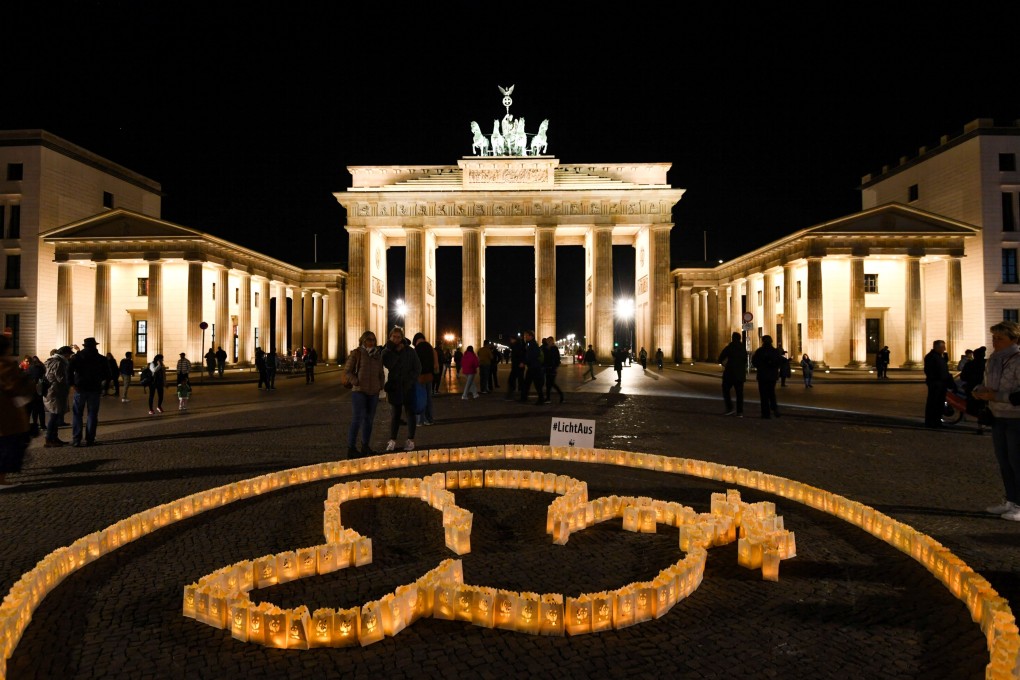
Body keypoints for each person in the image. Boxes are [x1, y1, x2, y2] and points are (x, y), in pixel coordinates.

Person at [971, 322, 1020, 521]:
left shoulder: (1018, 360)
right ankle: (1010, 500)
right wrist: (979, 390)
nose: (995, 342)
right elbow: (987, 383)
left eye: (1000, 338)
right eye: (994, 338)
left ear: (1014, 340)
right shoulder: (993, 360)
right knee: (1004, 462)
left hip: (1016, 418)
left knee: (1018, 463)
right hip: (997, 417)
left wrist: (996, 396)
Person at [344, 330, 385, 457]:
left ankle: (365, 446)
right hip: (359, 391)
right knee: (357, 419)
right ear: (363, 340)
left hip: (373, 392)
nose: (371, 342)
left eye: (373, 340)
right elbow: (347, 371)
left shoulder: (377, 355)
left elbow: (381, 373)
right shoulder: (356, 353)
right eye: (369, 339)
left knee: (369, 420)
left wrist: (380, 385)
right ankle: (351, 448)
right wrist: (356, 381)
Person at [0, 334, 33, 489]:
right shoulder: (5, 365)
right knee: (7, 446)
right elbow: (14, 387)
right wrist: (26, 383)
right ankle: (1, 480)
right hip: (6, 413)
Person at [381, 326, 420, 452]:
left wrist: (410, 381)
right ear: (390, 337)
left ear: (402, 338)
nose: (396, 339)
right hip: (395, 387)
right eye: (394, 337)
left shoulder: (410, 351)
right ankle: (392, 440)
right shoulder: (386, 351)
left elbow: (418, 367)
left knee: (410, 414)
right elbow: (388, 364)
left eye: (398, 337)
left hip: (408, 386)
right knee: (395, 415)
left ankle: (410, 440)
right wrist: (392, 350)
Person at [68, 337, 111, 447]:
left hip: (80, 388)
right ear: (95, 346)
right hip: (94, 388)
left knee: (77, 414)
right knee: (92, 414)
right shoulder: (101, 358)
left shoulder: (77, 357)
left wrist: (72, 384)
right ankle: (90, 439)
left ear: (84, 346)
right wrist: (102, 384)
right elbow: (107, 374)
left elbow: (69, 371)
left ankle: (76, 439)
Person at [43, 346, 72, 447]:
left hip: (51, 391)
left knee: (54, 416)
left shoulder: (50, 360)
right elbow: (61, 378)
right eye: (69, 355)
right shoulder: (59, 363)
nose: (69, 357)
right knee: (54, 417)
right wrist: (70, 383)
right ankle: (49, 439)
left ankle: (54, 438)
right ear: (65, 354)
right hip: (55, 392)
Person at [923, 339, 952, 428]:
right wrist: (936, 380)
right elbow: (930, 370)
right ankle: (931, 421)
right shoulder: (931, 357)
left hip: (941, 383)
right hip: (936, 383)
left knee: (939, 403)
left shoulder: (939, 357)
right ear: (937, 347)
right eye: (943, 347)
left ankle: (937, 421)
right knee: (933, 403)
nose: (945, 349)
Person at [751, 335, 781, 419]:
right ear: (771, 341)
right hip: (772, 376)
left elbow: (754, 362)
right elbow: (779, 362)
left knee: (763, 395)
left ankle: (766, 414)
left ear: (763, 341)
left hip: (762, 375)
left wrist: (760, 366)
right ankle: (774, 408)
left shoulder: (760, 351)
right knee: (771, 393)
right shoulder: (775, 351)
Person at [718, 331, 747, 416]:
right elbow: (745, 360)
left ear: (732, 338)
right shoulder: (743, 348)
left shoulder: (730, 347)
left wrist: (724, 364)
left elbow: (720, 358)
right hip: (740, 374)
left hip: (730, 373)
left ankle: (730, 408)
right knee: (739, 393)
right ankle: (740, 412)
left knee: (726, 390)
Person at [412, 332, 437, 425]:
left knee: (420, 397)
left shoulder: (416, 349)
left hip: (419, 377)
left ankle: (419, 420)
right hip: (429, 376)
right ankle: (429, 419)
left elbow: (413, 364)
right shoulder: (431, 348)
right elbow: (436, 364)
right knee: (428, 398)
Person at [519, 331, 545, 404]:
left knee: (536, 384)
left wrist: (524, 362)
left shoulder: (533, 344)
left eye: (526, 336)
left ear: (531, 336)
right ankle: (524, 398)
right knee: (527, 383)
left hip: (534, 367)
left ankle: (540, 399)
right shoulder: (530, 344)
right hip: (532, 367)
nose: (525, 337)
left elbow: (532, 355)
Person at [543, 337, 564, 404]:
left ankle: (561, 395)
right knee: (548, 384)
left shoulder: (554, 349)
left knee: (551, 383)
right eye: (547, 341)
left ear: (552, 341)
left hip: (552, 368)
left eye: (549, 341)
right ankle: (548, 398)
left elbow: (557, 359)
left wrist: (554, 367)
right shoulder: (546, 348)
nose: (548, 342)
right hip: (547, 368)